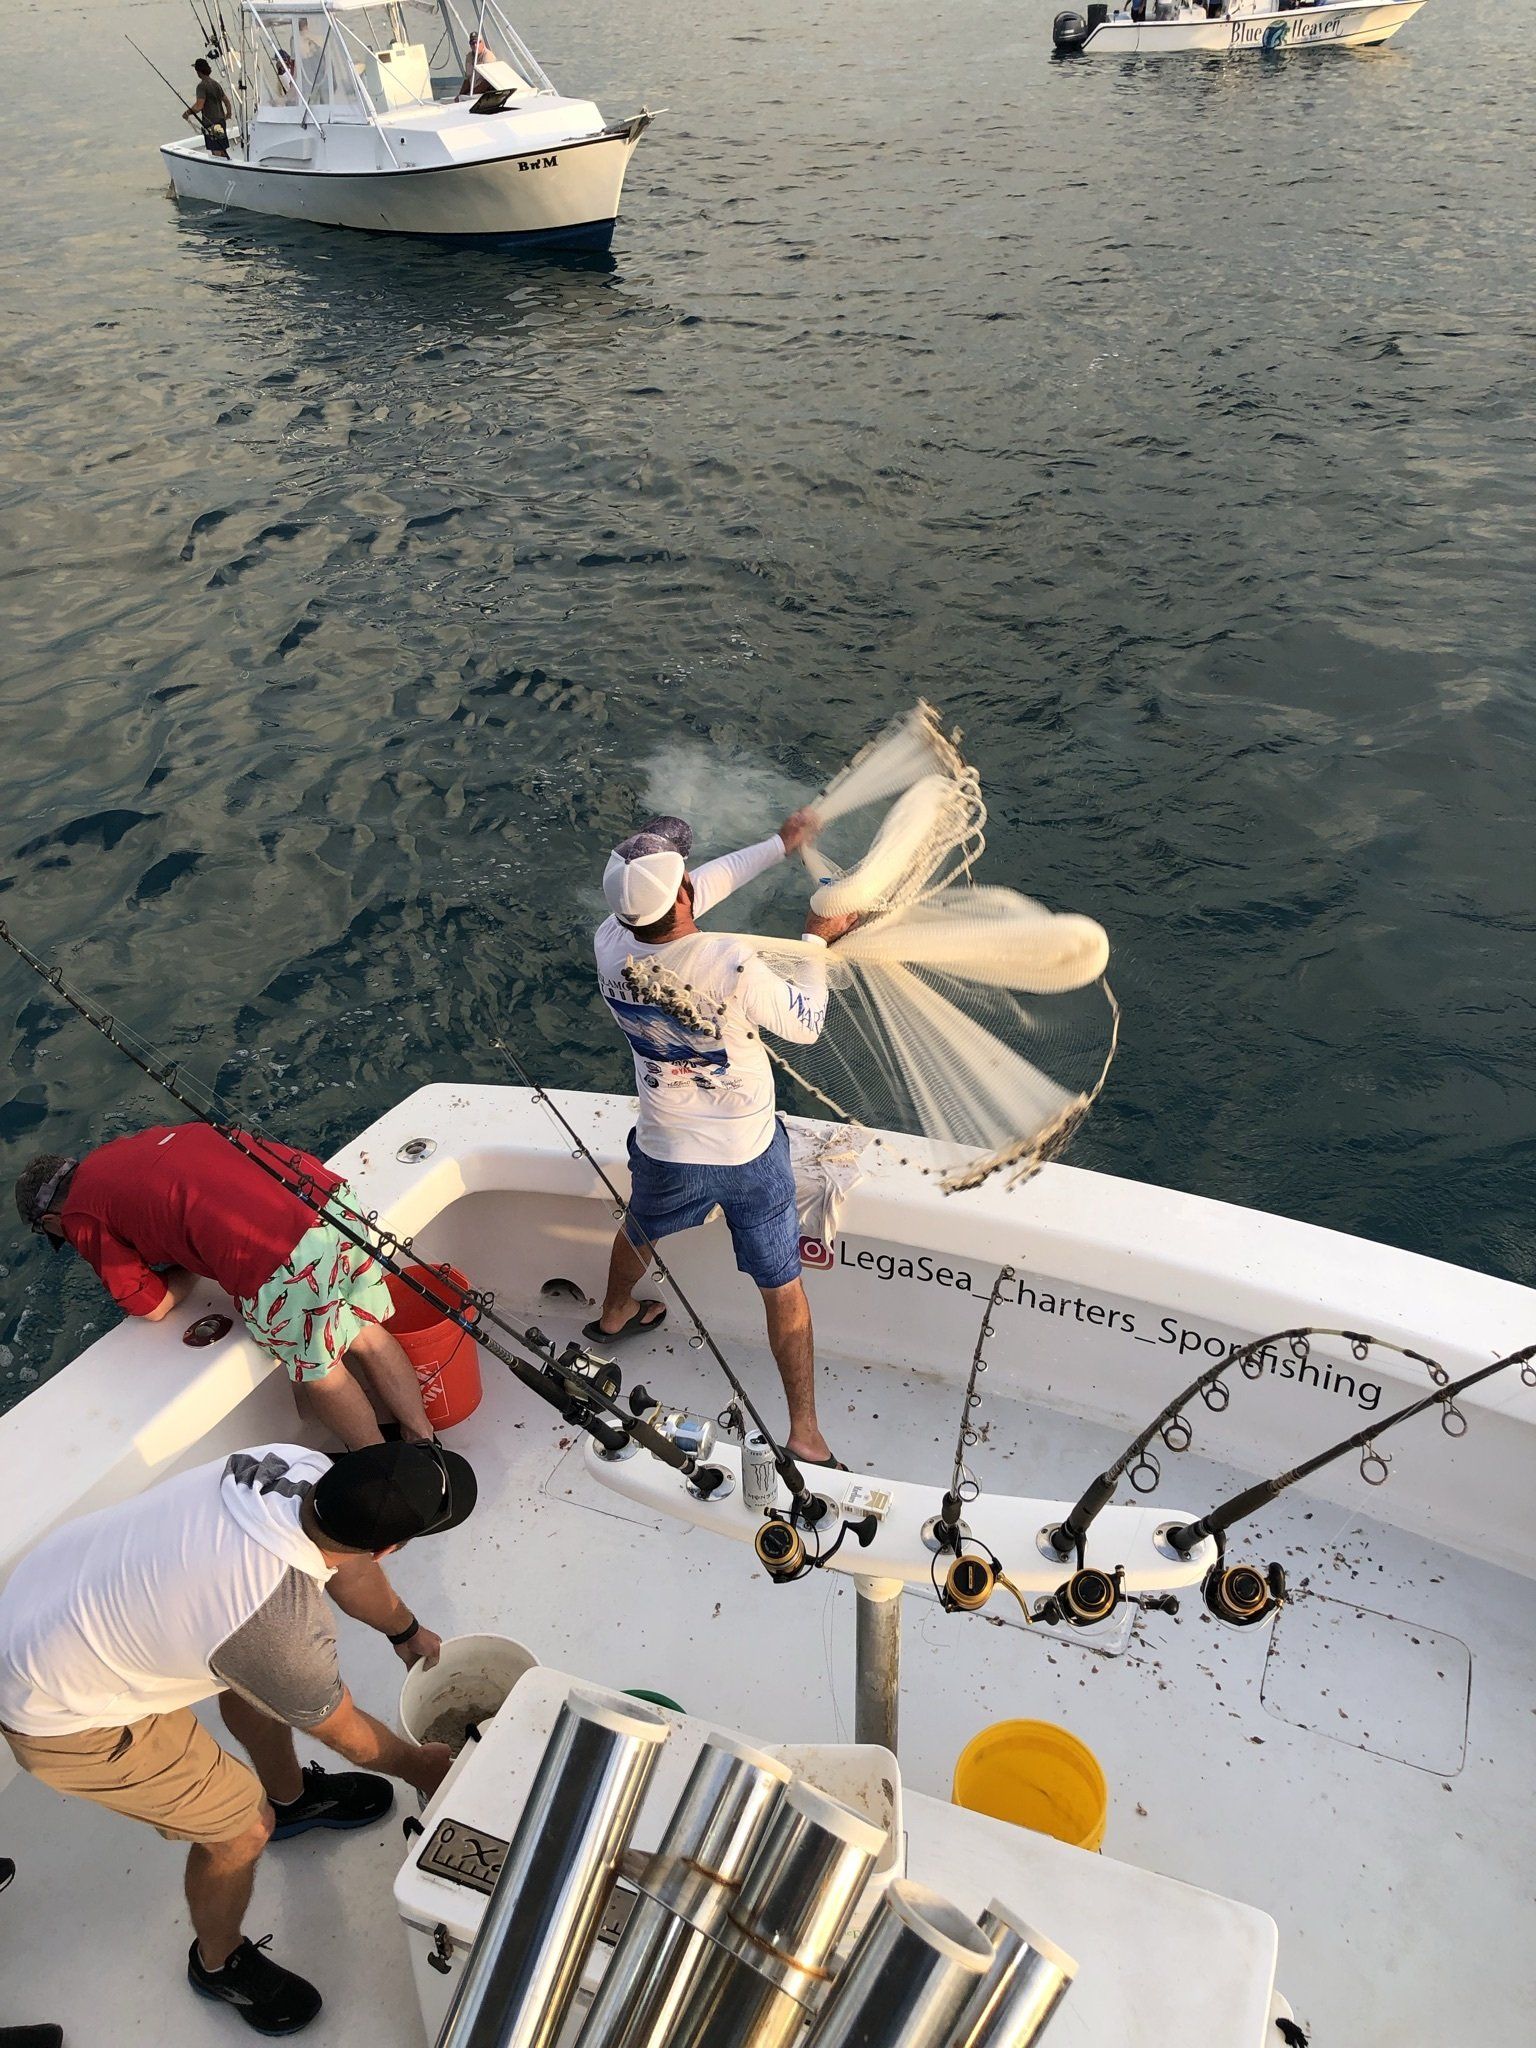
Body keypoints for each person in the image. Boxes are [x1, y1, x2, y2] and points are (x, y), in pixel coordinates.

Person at [0, 1438, 474, 2036]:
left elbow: (349, 1566)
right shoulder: (274, 1631)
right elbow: (348, 1733)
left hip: (54, 1600)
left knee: (250, 1678)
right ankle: (218, 1963)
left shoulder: (293, 1465)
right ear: (391, 1545)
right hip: (62, 1710)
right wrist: (424, 1768)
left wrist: (404, 1630)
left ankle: (293, 1796)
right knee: (241, 1829)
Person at [591, 811, 856, 1467]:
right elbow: (807, 1024)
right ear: (680, 893)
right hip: (747, 1153)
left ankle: (614, 1316)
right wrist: (816, 942)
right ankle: (806, 1434)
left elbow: (684, 896)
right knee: (781, 1285)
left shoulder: (609, 941)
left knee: (640, 1228)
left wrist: (777, 845)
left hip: (664, 1146)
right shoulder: (732, 963)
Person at [14, 1125, 434, 1450]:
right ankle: (424, 1440)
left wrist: (186, 1265)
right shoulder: (125, 1148)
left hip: (277, 1257)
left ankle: (385, 1473)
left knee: (320, 1372)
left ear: (50, 1220)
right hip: (328, 1199)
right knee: (363, 1333)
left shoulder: (78, 1215)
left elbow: (151, 1305)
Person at [183, 58, 232, 158]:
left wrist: (187, 113)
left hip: (211, 123)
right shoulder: (216, 84)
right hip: (221, 121)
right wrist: (228, 114)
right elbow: (226, 101)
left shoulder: (201, 86)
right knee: (221, 147)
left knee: (216, 150)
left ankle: (221, 169)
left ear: (198, 71)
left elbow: (199, 106)